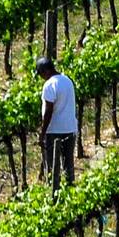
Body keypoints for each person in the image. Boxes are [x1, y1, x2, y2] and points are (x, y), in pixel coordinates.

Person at [37, 57, 78, 186]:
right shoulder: (68, 81)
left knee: (52, 165)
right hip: (70, 128)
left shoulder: (49, 85)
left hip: (54, 130)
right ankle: (70, 189)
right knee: (68, 163)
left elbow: (48, 111)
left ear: (46, 71)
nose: (41, 77)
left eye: (40, 74)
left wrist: (42, 133)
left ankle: (54, 194)